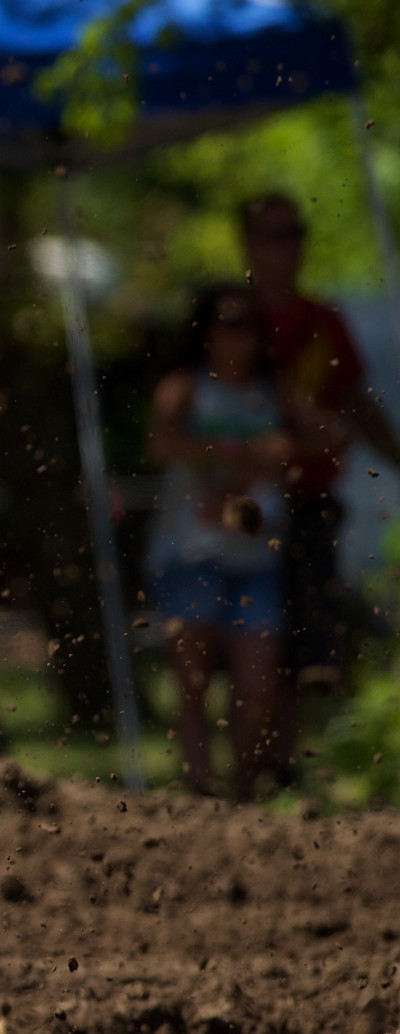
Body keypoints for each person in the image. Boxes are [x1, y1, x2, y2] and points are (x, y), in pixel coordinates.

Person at [146, 284, 338, 801]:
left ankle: (245, 795)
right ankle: (200, 786)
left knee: (258, 687)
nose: (240, 336)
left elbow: (335, 433)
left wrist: (288, 447)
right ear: (205, 332)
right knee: (193, 679)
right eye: (228, 323)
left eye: (250, 324)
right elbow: (162, 445)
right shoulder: (185, 388)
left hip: (255, 555)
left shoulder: (275, 391)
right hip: (192, 553)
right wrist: (241, 450)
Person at [239, 195, 400, 719]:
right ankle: (225, 779)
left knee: (304, 654)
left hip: (307, 500)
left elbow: (355, 402)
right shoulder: (230, 317)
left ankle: (278, 772)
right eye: (275, 234)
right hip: (237, 504)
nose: (290, 246)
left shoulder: (322, 320)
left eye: (296, 231)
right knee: (238, 649)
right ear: (248, 244)